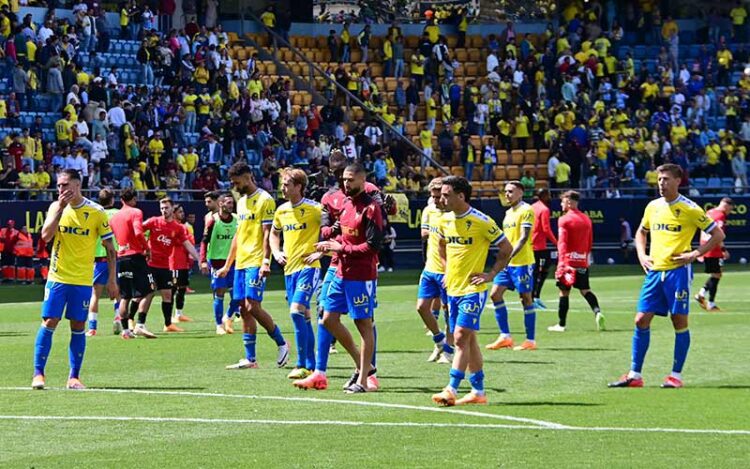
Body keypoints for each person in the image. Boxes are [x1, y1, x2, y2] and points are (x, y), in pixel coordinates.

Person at [609, 164, 725, 389]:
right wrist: (642, 255)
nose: (661, 183)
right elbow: (641, 232)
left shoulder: (690, 209)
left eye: (666, 179)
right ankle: (635, 375)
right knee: (641, 319)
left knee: (678, 321)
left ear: (678, 181)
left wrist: (695, 253)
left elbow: (717, 234)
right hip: (654, 272)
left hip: (678, 272)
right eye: (659, 179)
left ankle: (675, 376)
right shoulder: (652, 206)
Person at [296, 163, 384, 393]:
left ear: (363, 181)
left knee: (363, 323)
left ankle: (364, 381)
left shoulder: (371, 208)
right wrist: (327, 247)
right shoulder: (345, 205)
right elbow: (338, 236)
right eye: (344, 179)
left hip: (362, 274)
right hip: (341, 271)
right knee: (327, 319)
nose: (346, 183)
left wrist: (339, 248)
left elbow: (373, 246)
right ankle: (365, 366)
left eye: (351, 179)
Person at [31, 169, 118, 390]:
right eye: (59, 186)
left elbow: (110, 248)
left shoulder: (96, 212)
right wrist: (59, 208)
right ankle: (38, 374)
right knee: (50, 321)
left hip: (82, 280)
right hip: (57, 277)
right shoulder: (55, 207)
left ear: (77, 185)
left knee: (78, 325)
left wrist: (112, 280)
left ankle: (74, 377)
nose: (61, 189)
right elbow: (45, 236)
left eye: (65, 185)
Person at [431, 176, 512, 406]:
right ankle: (478, 391)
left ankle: (451, 388)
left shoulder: (482, 221)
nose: (441, 199)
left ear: (461, 196)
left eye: (446, 195)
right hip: (453, 289)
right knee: (470, 341)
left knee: (459, 337)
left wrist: (491, 275)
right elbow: (441, 246)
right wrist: (447, 271)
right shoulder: (444, 220)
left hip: (473, 289)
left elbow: (506, 248)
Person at [216, 162, 289, 370]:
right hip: (242, 262)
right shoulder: (241, 202)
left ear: (248, 177)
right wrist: (228, 266)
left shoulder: (265, 200)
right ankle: (251, 359)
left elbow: (268, 233)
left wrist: (266, 261)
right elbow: (238, 236)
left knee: (252, 306)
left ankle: (282, 343)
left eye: (236, 182)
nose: (234, 186)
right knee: (243, 308)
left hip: (256, 261)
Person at [270, 168, 324, 380]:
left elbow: (335, 230)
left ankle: (302, 363)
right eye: (282, 184)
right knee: (305, 316)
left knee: (295, 311)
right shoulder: (281, 210)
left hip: (309, 268)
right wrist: (276, 252)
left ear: (299, 187)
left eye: (286, 185)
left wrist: (321, 251)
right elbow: (274, 233)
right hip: (289, 269)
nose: (282, 188)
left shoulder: (315, 209)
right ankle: (312, 364)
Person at [486, 181, 538, 351]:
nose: (507, 194)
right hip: (507, 263)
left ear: (521, 193)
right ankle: (505, 336)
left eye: (511, 191)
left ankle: (530, 340)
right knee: (495, 294)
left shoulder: (526, 210)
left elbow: (523, 237)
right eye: (506, 191)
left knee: (525, 298)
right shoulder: (508, 213)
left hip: (522, 261)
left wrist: (508, 256)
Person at [547, 191, 606, 332]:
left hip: (568, 262)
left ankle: (561, 324)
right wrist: (585, 257)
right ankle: (597, 312)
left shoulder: (564, 220)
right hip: (581, 260)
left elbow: (562, 243)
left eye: (562, 202)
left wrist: (561, 263)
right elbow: (590, 241)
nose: (561, 204)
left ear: (568, 202)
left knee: (564, 292)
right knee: (585, 290)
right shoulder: (586, 219)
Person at [142, 198, 200, 333]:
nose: (164, 210)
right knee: (146, 294)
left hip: (165, 266)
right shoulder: (153, 221)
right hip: (150, 265)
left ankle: (168, 324)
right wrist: (141, 246)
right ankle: (135, 322)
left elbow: (187, 244)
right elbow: (138, 230)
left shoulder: (178, 228)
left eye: (166, 208)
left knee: (168, 295)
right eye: (162, 208)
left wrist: (199, 259)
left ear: (171, 208)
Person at [109, 188, 156, 339]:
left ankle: (125, 331)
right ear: (134, 199)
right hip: (136, 256)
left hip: (122, 258)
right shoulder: (135, 212)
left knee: (125, 296)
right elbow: (137, 232)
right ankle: (140, 324)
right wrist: (147, 248)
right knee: (150, 289)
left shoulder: (114, 217)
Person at [416, 178, 454, 363]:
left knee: (448, 311)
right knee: (422, 307)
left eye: (439, 197)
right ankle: (439, 340)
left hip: (447, 271)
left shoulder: (454, 215)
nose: (437, 200)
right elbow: (424, 234)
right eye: (433, 196)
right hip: (430, 268)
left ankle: (449, 349)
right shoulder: (429, 211)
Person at [199, 193, 240, 335]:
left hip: (234, 261)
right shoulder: (213, 221)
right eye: (228, 203)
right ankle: (219, 325)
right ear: (221, 204)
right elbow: (204, 242)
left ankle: (228, 316)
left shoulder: (237, 220)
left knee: (238, 295)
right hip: (217, 261)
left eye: (232, 203)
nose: (231, 205)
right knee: (220, 293)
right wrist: (203, 261)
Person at [86, 189, 120, 336]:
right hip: (115, 256)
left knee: (95, 294)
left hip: (99, 258)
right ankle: (118, 317)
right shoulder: (118, 214)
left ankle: (92, 328)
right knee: (118, 291)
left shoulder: (95, 214)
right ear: (112, 200)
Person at [695, 197, 733, 312]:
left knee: (717, 274)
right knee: (717, 275)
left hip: (706, 247)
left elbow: (703, 230)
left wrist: (702, 249)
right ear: (726, 206)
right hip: (714, 248)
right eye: (730, 210)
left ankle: (701, 294)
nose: (729, 212)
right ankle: (710, 303)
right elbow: (718, 234)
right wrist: (723, 249)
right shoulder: (720, 216)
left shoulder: (709, 212)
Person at [530, 188, 557, 309]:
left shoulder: (531, 207)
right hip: (539, 246)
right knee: (542, 271)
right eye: (549, 195)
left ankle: (533, 297)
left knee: (534, 272)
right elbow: (546, 229)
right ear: (545, 196)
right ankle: (534, 298)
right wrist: (557, 243)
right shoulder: (544, 209)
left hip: (530, 244)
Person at [170, 204, 196, 323]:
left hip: (183, 262)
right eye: (179, 211)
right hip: (174, 262)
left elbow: (189, 242)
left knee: (182, 288)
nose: (182, 213)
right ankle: (169, 317)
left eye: (182, 211)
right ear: (174, 213)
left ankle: (179, 314)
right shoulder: (172, 227)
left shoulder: (183, 227)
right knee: (172, 289)